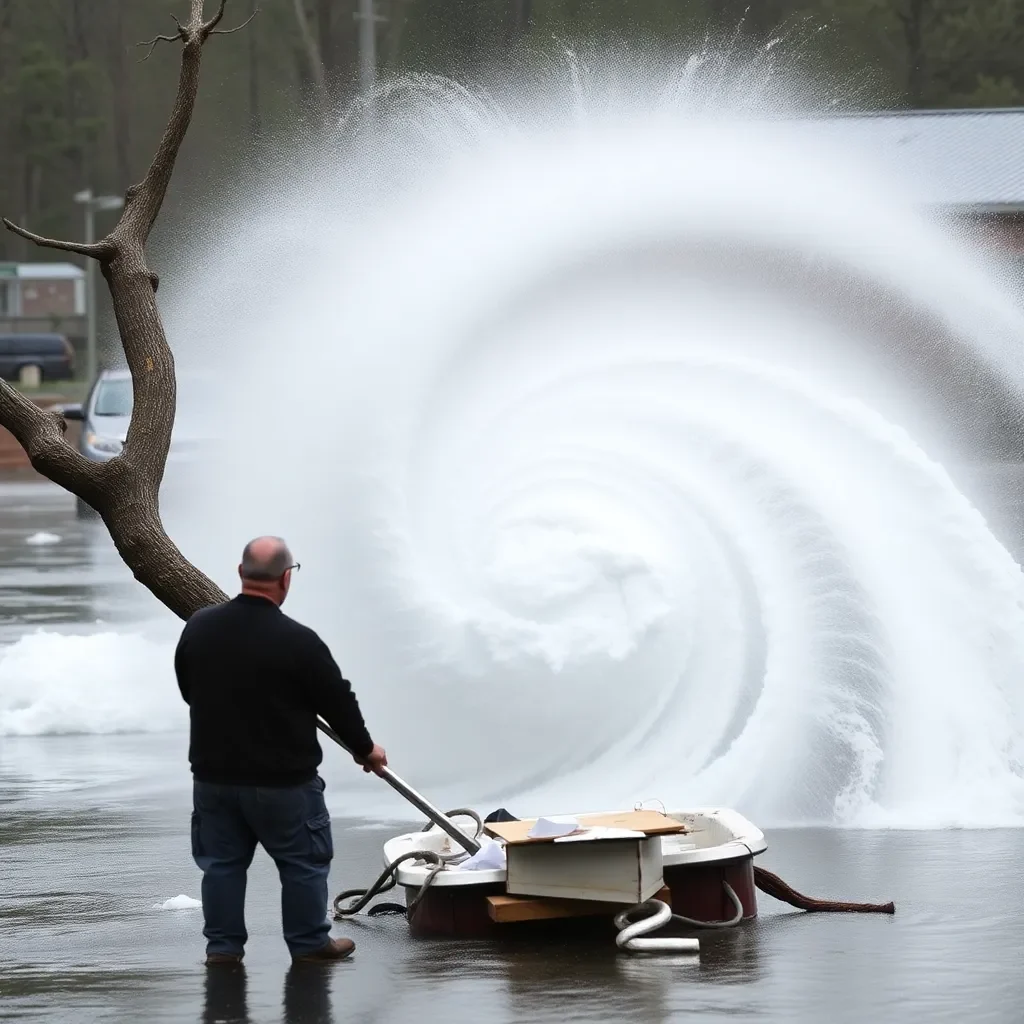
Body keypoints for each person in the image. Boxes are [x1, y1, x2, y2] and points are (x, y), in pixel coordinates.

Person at [174, 536, 387, 966]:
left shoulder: (199, 627)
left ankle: (223, 949)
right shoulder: (299, 641)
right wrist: (366, 749)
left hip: (215, 779)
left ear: (240, 573)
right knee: (303, 865)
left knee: (222, 867)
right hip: (284, 784)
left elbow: (187, 688)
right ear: (287, 578)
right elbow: (338, 701)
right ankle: (309, 944)